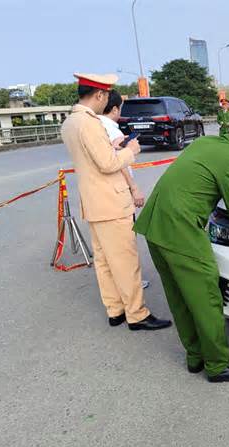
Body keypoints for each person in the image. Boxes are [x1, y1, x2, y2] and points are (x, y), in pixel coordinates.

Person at [134, 110, 229, 382]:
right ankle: (219, 364)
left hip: (155, 227)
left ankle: (196, 357)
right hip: (181, 231)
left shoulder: (207, 143)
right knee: (206, 297)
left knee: (180, 297)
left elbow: (207, 178)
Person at [61, 72, 171, 331]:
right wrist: (130, 152)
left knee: (104, 261)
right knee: (125, 262)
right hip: (111, 202)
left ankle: (115, 310)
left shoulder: (70, 122)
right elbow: (108, 163)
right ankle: (137, 314)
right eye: (105, 97)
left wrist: (116, 150)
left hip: (94, 202)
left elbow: (93, 160)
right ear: (99, 95)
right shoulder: (89, 123)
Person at [98, 90, 150, 290]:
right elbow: (117, 163)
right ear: (114, 109)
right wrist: (134, 189)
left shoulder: (94, 126)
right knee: (126, 244)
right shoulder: (111, 129)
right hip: (119, 192)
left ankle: (118, 285)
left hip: (103, 195)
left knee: (109, 248)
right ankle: (131, 285)